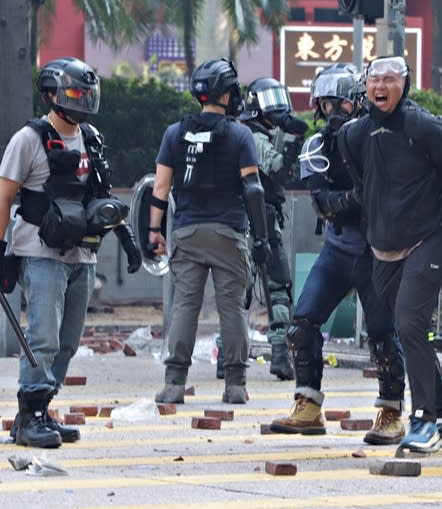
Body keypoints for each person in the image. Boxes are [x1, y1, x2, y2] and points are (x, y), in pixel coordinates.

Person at [0, 57, 141, 448]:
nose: (82, 99)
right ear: (51, 94)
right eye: (74, 92)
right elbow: (5, 195)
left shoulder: (91, 138)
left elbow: (101, 196)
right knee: (42, 337)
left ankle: (42, 409)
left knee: (67, 342)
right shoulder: (29, 139)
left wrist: (126, 237)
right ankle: (28, 417)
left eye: (86, 93)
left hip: (83, 256)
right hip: (40, 253)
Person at [338, 55, 442, 454]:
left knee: (411, 325)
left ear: (405, 84)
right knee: (407, 328)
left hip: (429, 237)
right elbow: (364, 182)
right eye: (374, 79)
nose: (381, 85)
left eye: (390, 79)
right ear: (366, 87)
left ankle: (425, 419)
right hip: (383, 246)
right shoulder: (354, 135)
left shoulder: (422, 127)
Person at [269, 63, 406, 445]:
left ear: (358, 103)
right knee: (301, 325)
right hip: (338, 249)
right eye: (326, 104)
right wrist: (356, 199)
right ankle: (308, 405)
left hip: (377, 252)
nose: (332, 111)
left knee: (382, 335)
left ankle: (392, 410)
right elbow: (322, 202)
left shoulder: (381, 139)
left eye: (340, 103)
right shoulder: (317, 145)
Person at [149, 58, 267, 405]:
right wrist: (261, 238)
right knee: (231, 307)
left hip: (186, 231)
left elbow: (160, 188)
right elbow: (254, 189)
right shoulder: (240, 134)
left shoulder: (174, 133)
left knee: (185, 304)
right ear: (226, 95)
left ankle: (174, 383)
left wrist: (154, 231)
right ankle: (235, 385)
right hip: (228, 232)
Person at [238, 77, 308, 381]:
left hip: (251, 219)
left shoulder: (246, 133)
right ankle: (275, 354)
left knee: (249, 289)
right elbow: (277, 169)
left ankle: (275, 354)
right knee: (268, 289)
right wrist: (294, 140)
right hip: (257, 220)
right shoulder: (252, 137)